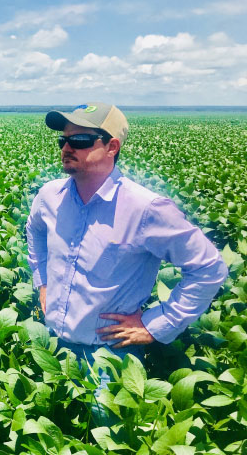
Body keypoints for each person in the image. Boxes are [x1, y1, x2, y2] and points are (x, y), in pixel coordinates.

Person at [26, 102, 228, 366]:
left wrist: (157, 325)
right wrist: (42, 281)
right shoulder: (50, 196)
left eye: (81, 139)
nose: (67, 147)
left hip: (109, 356)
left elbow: (209, 268)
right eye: (63, 140)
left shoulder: (146, 208)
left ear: (112, 147)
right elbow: (35, 230)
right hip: (54, 346)